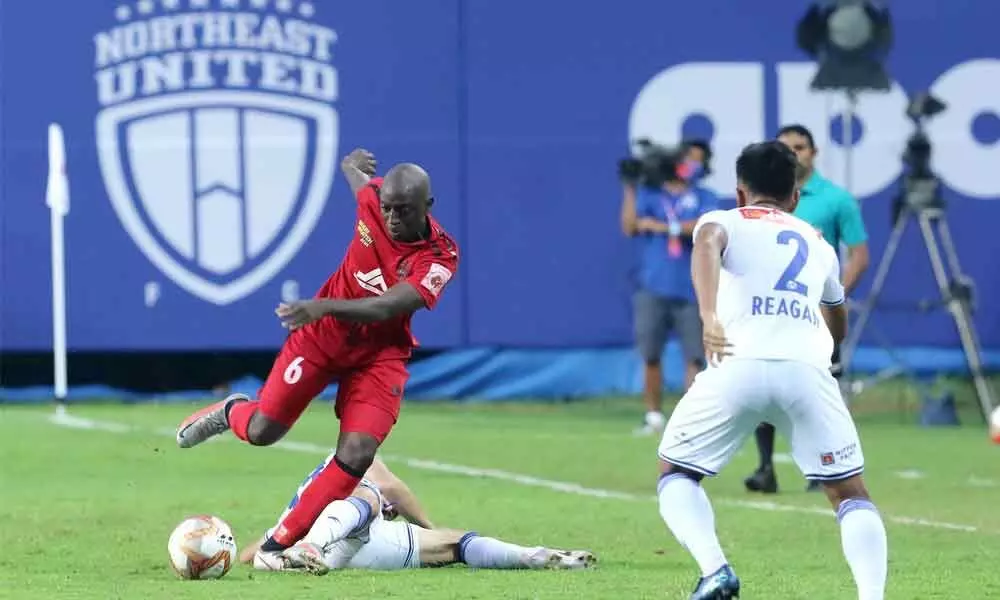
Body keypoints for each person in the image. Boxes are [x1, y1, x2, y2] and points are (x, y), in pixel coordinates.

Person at [175, 148, 460, 563]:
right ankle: (232, 411)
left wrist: (325, 305)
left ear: (427, 207)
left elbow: (386, 306)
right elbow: (358, 181)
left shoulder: (439, 256)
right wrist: (350, 166)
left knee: (358, 452)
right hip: (321, 339)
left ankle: (277, 547)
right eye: (388, 210)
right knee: (263, 432)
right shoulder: (373, 202)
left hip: (379, 356)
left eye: (404, 211)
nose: (393, 219)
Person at [655, 141, 887, 600]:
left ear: (740, 192)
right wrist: (827, 337)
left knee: (676, 473)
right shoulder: (817, 243)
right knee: (851, 495)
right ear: (795, 196)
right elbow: (837, 316)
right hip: (806, 371)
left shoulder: (721, 220)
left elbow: (705, 245)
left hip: (734, 364)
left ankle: (715, 570)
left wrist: (709, 316)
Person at [745, 124, 871, 494]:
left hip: (815, 314)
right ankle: (766, 466)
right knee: (761, 381)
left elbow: (859, 256)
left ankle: (825, 466)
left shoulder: (836, 199)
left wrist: (833, 299)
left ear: (814, 152)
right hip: (771, 309)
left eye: (800, 147)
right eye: (785, 148)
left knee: (821, 388)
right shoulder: (760, 199)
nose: (793, 154)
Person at [240, 455, 597, 573]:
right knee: (373, 495)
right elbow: (392, 489)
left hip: (335, 541)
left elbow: (258, 547)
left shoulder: (308, 488)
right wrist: (429, 527)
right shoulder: (355, 453)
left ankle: (532, 556)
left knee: (455, 544)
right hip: (339, 535)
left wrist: (237, 556)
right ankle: (529, 555)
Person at [620, 143, 719, 435]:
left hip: (693, 287)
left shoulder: (705, 196)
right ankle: (653, 415)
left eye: (698, 161)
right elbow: (629, 227)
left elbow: (704, 226)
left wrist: (664, 228)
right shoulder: (652, 194)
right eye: (689, 159)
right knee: (650, 353)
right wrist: (629, 188)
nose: (693, 166)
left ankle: (689, 420)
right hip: (654, 286)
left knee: (696, 357)